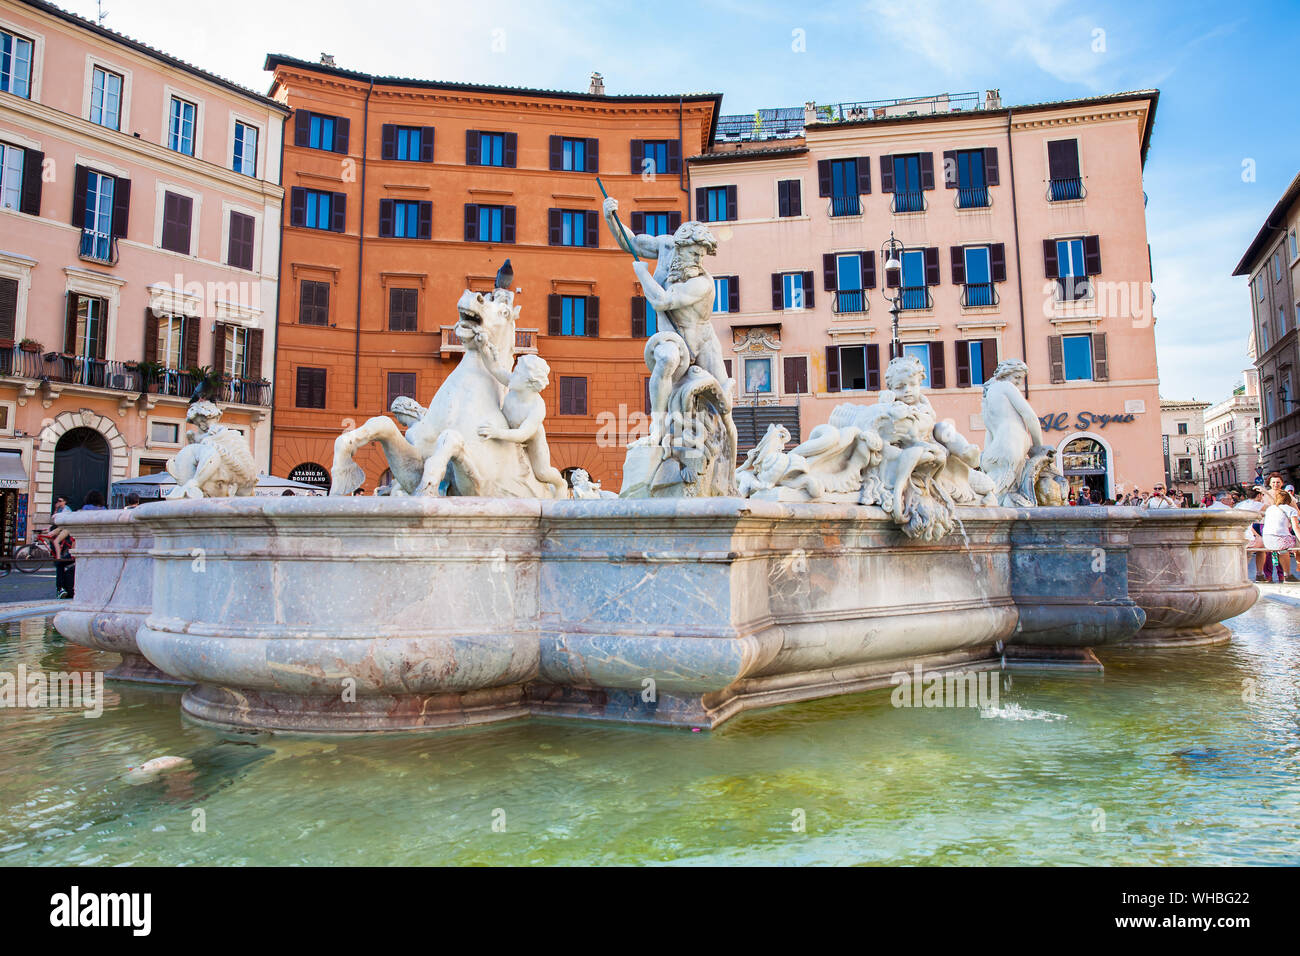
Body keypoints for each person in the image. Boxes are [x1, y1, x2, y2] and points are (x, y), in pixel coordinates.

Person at [1261, 489, 1300, 582]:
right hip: (1281, 540)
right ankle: (1289, 573)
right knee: (1295, 542)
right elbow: (1296, 528)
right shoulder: (1291, 510)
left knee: (1284, 548)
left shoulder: (1270, 509)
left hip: (1267, 540)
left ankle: (1288, 573)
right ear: (1288, 500)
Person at [1236, 486, 1270, 581]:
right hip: (1248, 536)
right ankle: (1259, 573)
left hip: (1238, 534)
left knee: (1245, 554)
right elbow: (1273, 507)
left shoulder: (1240, 504)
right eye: (1262, 495)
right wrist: (1266, 492)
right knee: (1262, 547)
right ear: (1259, 495)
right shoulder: (1256, 504)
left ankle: (1240, 575)